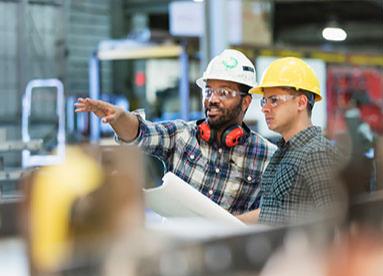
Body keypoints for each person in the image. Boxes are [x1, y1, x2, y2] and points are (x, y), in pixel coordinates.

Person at [75, 49, 276, 215]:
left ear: (246, 101)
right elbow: (141, 133)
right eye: (209, 91)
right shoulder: (181, 135)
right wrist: (119, 117)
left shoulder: (266, 155)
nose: (212, 99)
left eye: (224, 92)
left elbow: (270, 214)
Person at [237, 57, 345, 225]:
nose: (265, 108)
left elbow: (337, 222)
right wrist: (228, 223)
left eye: (274, 100)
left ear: (301, 102)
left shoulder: (318, 154)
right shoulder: (282, 153)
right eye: (265, 100)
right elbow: (271, 212)